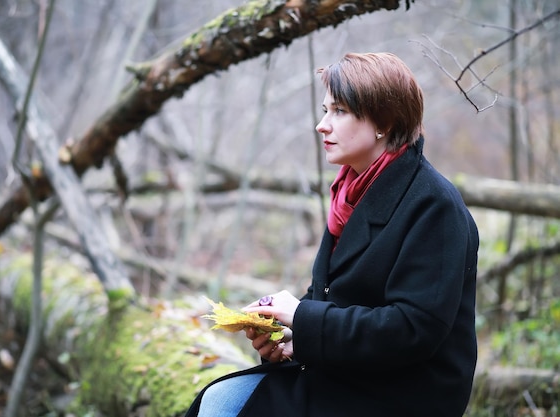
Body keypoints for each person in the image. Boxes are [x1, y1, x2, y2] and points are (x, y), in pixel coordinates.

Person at [185, 52, 479, 417]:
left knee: (223, 407)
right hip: (343, 375)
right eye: (326, 110)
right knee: (219, 401)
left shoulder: (434, 205)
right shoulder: (351, 192)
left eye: (338, 111)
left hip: (400, 394)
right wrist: (288, 338)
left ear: (383, 122)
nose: (322, 125)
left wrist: (303, 318)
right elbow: (331, 297)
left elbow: (412, 329)